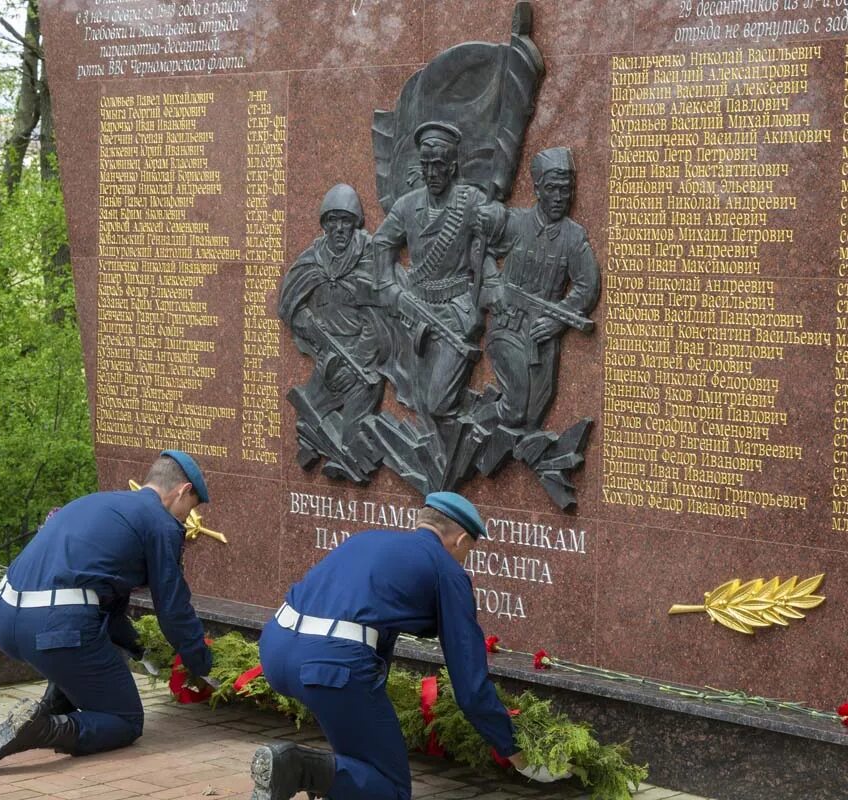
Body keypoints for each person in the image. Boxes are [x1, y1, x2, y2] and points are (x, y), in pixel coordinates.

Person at [250, 492, 529, 800]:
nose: (464, 559)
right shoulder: (446, 570)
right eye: (468, 551)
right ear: (461, 540)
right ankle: (297, 767)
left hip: (275, 647)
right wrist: (514, 750)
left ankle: (316, 773)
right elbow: (470, 685)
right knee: (390, 789)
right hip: (329, 666)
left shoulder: (365, 540)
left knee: (358, 765)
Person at [0, 450, 215, 773]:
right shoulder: (160, 524)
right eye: (190, 508)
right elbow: (173, 609)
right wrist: (204, 665)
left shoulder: (99, 503)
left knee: (93, 649)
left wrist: (139, 648)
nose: (186, 518)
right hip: (54, 627)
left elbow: (108, 605)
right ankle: (44, 729)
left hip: (3, 617)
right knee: (125, 721)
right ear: (182, 491)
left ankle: (44, 711)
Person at [371, 122, 497, 422]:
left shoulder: (470, 202)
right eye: (425, 165)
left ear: (452, 167)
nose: (430, 173)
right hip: (416, 312)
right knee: (416, 398)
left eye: (438, 165)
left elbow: (497, 227)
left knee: (438, 403)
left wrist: (494, 220)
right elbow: (380, 243)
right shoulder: (407, 205)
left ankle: (489, 415)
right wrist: (389, 288)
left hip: (454, 314)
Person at [483, 147, 599, 432]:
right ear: (537, 189)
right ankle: (475, 419)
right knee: (515, 406)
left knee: (533, 417)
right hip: (508, 326)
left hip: (543, 333)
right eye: (552, 189)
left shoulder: (574, 236)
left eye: (566, 189)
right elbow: (480, 250)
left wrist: (559, 320)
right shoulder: (515, 223)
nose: (560, 197)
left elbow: (587, 285)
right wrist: (493, 285)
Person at [278, 184, 386, 481]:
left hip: (362, 363)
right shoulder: (311, 260)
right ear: (324, 224)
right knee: (306, 419)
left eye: (346, 221)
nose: (340, 228)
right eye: (333, 220)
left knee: (354, 438)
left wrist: (358, 361)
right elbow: (290, 306)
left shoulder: (371, 258)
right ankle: (317, 451)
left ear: (356, 223)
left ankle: (351, 460)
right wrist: (311, 330)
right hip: (326, 356)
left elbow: (381, 319)